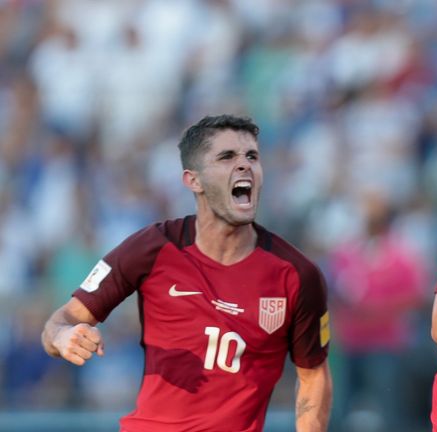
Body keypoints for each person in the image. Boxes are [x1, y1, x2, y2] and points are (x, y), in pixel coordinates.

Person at [41, 115, 333, 431]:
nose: (245, 165)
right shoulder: (151, 248)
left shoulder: (297, 275)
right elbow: (61, 322)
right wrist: (63, 337)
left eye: (252, 156)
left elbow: (313, 375)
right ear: (193, 180)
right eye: (227, 157)